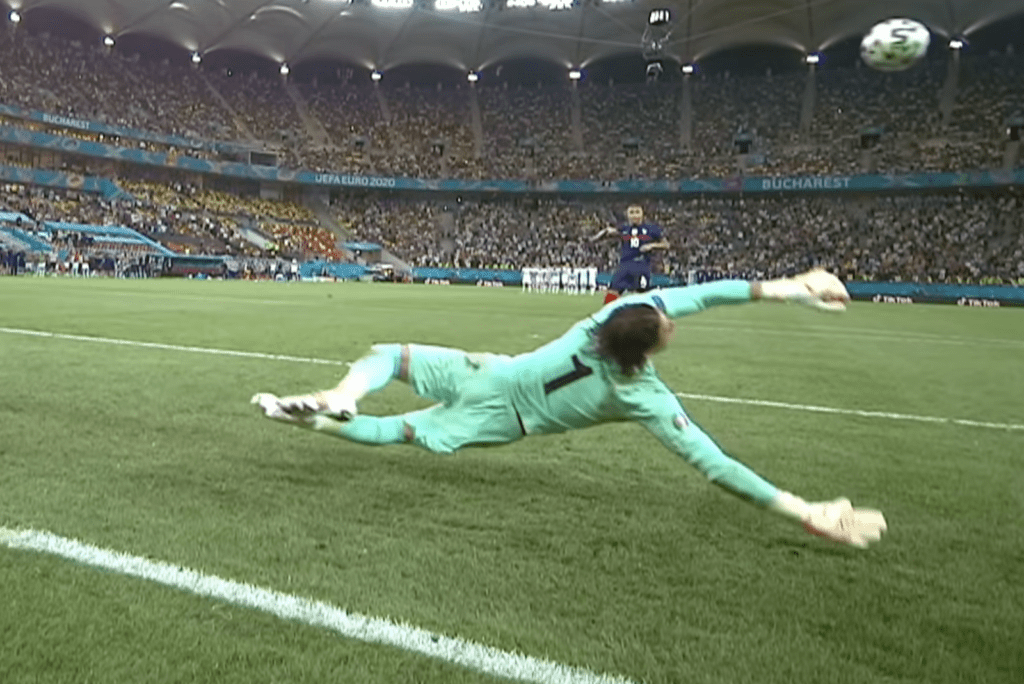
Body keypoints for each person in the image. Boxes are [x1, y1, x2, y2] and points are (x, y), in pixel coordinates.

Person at [252, 269, 887, 548]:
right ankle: (314, 417)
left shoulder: (603, 320)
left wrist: (791, 289)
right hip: (501, 420)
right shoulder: (640, 395)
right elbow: (715, 465)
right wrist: (804, 511)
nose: (673, 320)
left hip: (491, 373)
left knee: (390, 356)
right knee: (396, 431)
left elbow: (703, 295)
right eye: (667, 326)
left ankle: (336, 396)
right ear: (649, 348)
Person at [589, 204, 670, 305]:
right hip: (625, 265)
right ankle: (610, 314)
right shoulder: (624, 228)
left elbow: (666, 245)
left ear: (642, 214)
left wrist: (651, 245)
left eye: (637, 212)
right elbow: (608, 232)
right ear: (627, 215)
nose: (634, 215)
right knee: (611, 296)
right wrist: (597, 236)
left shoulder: (651, 229)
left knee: (642, 299)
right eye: (631, 212)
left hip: (641, 266)